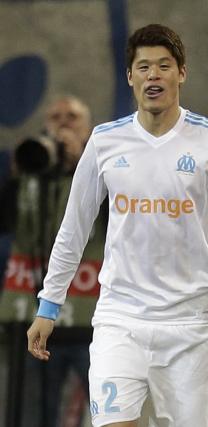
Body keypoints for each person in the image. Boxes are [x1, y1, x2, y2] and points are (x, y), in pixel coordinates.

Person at [25, 24, 208, 427]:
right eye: (144, 67)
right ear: (130, 76)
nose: (154, 75)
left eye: (164, 66)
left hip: (189, 326)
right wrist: (49, 304)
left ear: (181, 73)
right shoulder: (105, 141)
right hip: (121, 320)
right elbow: (74, 228)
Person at [0, 95, 104, 427]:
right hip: (33, 321)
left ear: (87, 128)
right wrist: (16, 177)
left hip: (90, 321)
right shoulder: (31, 173)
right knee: (31, 415)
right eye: (55, 117)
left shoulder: (104, 169)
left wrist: (84, 164)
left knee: (109, 413)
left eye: (72, 117)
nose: (63, 123)